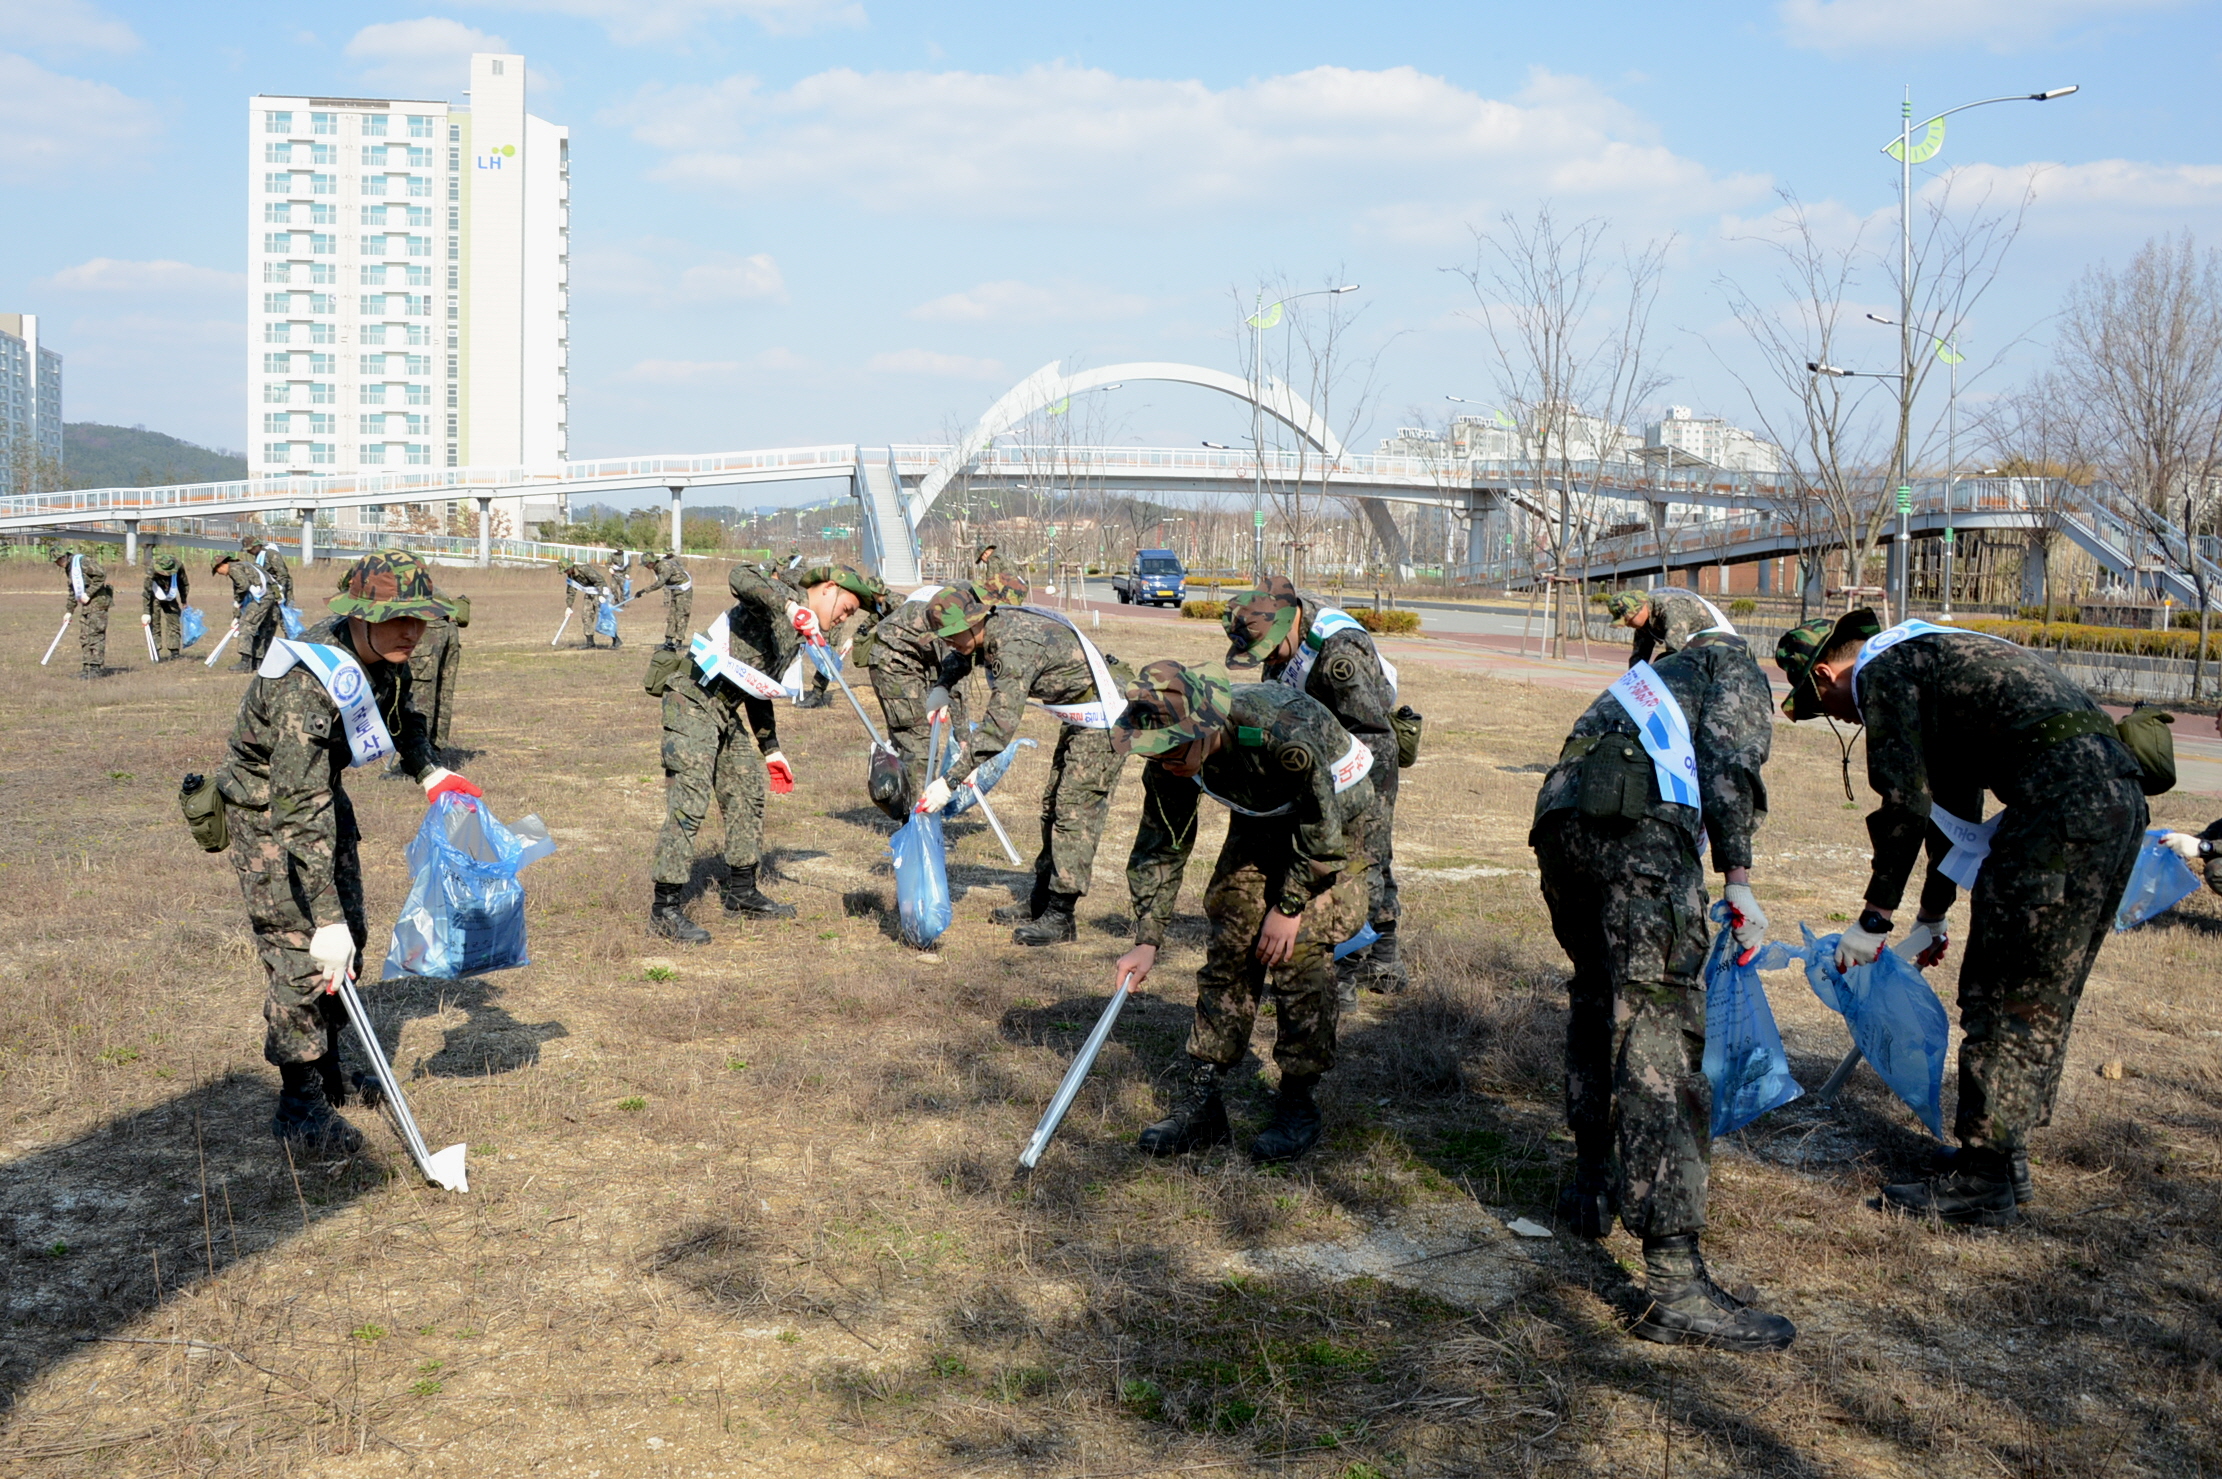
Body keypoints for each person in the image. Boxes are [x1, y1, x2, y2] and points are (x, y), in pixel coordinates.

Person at [1775, 609, 2148, 1225]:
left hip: (2058, 810)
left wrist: (1874, 920)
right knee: (2034, 993)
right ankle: (2002, 1157)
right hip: (2111, 802)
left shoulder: (1881, 671)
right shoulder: (1931, 654)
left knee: (2002, 996)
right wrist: (1933, 914)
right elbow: (1956, 808)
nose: (1846, 719)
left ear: (1825, 674)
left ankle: (1984, 1181)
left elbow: (1905, 806)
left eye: (1830, 709)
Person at [1530, 627, 1794, 1351]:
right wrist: (1738, 878)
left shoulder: (1656, 675)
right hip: (1634, 831)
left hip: (1560, 822)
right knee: (1658, 1028)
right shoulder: (1731, 663)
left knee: (1596, 995)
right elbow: (1730, 766)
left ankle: (1591, 1184)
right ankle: (1676, 1284)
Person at [213, 549, 481, 1155]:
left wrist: (429, 771)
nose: (411, 632)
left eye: (419, 619)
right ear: (358, 615)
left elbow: (402, 715)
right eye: (396, 619)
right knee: (300, 949)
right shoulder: (305, 681)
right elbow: (295, 807)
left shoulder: (385, 658)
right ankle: (298, 1102)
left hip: (319, 797)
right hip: (271, 812)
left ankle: (329, 1071)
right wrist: (323, 917)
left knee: (350, 936)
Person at [1111, 660, 1374, 1164]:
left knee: (1299, 952)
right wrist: (1147, 938)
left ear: (1205, 729)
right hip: (1262, 813)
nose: (1164, 762)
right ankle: (1204, 1102)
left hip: (1335, 819)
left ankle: (1297, 1103)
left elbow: (1323, 834)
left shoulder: (1281, 734)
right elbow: (1162, 844)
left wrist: (1289, 906)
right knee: (1231, 938)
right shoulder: (1168, 757)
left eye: (1171, 750)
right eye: (1154, 752)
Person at [649, 561, 881, 942]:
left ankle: (741, 892)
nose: (843, 619)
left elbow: (757, 686)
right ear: (828, 589)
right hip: (692, 698)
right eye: (845, 609)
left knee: (747, 790)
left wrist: (771, 749)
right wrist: (790, 608)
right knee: (690, 800)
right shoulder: (782, 597)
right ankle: (665, 909)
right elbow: (739, 577)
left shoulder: (800, 634)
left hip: (724, 710)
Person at [915, 572, 1130, 946]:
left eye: (951, 635)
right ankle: (1041, 900)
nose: (949, 643)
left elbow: (997, 731)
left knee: (1074, 811)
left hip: (1103, 717)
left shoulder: (1013, 648)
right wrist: (942, 686)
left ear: (974, 621)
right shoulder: (989, 629)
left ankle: (1061, 916)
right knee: (1052, 807)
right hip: (1080, 713)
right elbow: (962, 655)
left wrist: (949, 782)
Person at [1223, 576, 1405, 999]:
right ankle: (1375, 953)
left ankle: (1355, 964)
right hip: (1320, 754)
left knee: (1364, 855)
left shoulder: (1338, 654)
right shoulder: (1281, 627)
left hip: (1363, 761)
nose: (1268, 659)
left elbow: (1372, 730)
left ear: (1287, 624)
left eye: (1270, 650)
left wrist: (1346, 797)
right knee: (1332, 848)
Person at [861, 579, 979, 818]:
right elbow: (957, 679)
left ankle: (912, 809)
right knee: (918, 742)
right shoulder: (952, 612)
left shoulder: (949, 595)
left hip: (911, 660)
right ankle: (919, 820)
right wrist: (964, 741)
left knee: (912, 742)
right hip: (895, 664)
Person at [407, 583, 466, 758]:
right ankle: (434, 751)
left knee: (421, 694)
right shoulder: (423, 581)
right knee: (442, 691)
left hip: (429, 626)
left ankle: (421, 756)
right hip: (447, 625)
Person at [1606, 587, 1734, 668]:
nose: (1628, 624)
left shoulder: (1672, 608)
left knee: (1669, 663)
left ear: (1641, 607)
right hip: (1695, 644)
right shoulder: (1645, 621)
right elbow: (1639, 657)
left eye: (1628, 619)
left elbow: (1675, 652)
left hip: (1720, 642)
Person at [53, 546, 112, 678]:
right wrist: (69, 611)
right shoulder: (70, 568)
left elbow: (101, 574)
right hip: (86, 606)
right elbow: (73, 590)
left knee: (95, 634)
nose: (57, 564)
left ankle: (96, 668)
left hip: (98, 603)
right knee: (85, 636)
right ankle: (87, 667)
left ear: (64, 557)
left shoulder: (83, 562)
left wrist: (88, 593)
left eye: (57, 560)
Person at [241, 536, 292, 666]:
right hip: (268, 594)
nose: (249, 552)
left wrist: (280, 593)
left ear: (257, 546)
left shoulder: (270, 554)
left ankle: (291, 655)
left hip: (280, 594)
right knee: (267, 624)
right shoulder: (259, 557)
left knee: (285, 624)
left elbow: (283, 575)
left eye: (250, 549)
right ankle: (262, 657)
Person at [635, 551, 694, 652]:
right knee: (671, 616)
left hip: (684, 591)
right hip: (675, 590)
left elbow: (660, 583)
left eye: (646, 564)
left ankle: (679, 642)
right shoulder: (657, 567)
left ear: (651, 562)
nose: (645, 567)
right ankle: (668, 641)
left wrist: (644, 591)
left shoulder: (664, 566)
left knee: (681, 615)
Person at [142, 548, 190, 661]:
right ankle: (156, 651)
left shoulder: (179, 565)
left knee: (174, 622)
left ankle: (174, 652)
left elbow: (184, 583)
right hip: (155, 595)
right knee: (154, 623)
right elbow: (147, 591)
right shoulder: (151, 569)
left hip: (170, 595)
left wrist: (184, 600)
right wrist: (146, 612)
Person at [559, 559, 605, 648]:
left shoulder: (584, 569)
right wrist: (569, 606)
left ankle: (616, 640)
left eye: (565, 570)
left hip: (600, 593)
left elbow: (600, 580)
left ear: (570, 567)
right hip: (589, 594)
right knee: (586, 616)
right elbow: (571, 592)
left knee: (604, 617)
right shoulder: (571, 576)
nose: (565, 572)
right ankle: (590, 643)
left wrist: (602, 595)